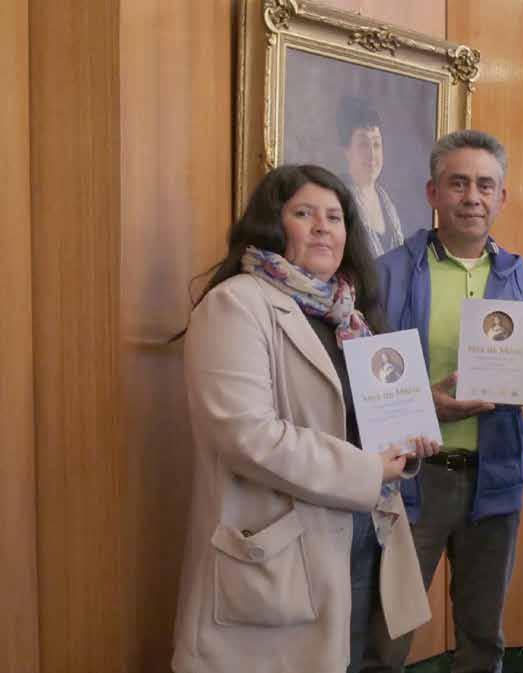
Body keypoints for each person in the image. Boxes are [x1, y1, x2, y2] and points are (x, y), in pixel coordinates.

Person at [170, 165, 440, 673]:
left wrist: (404, 443)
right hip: (282, 552)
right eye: (304, 214)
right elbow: (246, 437)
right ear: (272, 225)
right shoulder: (234, 304)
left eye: (335, 217)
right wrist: (368, 469)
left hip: (364, 536)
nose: (322, 227)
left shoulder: (350, 314)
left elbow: (359, 420)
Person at [362, 130, 523, 673]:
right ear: (433, 192)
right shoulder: (387, 274)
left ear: (501, 197)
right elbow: (364, 383)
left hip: (493, 479)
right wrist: (426, 407)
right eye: (458, 183)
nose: (472, 197)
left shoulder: (522, 283)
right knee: (387, 637)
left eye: (485, 185)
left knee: (482, 637)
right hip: (411, 480)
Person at [339, 97, 405, 257]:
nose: (372, 155)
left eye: (376, 144)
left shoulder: (387, 201)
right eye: (363, 144)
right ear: (346, 151)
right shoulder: (339, 200)